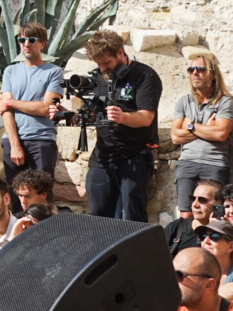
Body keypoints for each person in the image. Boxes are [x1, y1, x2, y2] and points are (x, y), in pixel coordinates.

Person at [57, 29, 160, 221]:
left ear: (120, 53)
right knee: (98, 214)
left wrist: (123, 117)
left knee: (132, 216)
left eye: (107, 63)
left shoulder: (145, 75)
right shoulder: (98, 77)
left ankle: (132, 251)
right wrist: (69, 116)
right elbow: (93, 115)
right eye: (98, 64)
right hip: (104, 156)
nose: (103, 68)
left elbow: (146, 117)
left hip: (135, 155)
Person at [0, 22, 63, 198]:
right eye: (22, 40)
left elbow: (45, 108)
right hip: (12, 141)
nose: (26, 44)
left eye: (32, 40)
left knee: (41, 197)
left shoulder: (54, 72)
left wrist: (11, 102)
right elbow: (5, 111)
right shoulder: (10, 71)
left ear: (42, 44)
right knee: (15, 198)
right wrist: (15, 145)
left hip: (41, 140)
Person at [172, 48, 233, 215]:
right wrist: (207, 129)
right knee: (186, 213)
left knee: (214, 214)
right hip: (187, 162)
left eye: (201, 69)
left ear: (213, 74)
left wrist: (191, 125)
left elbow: (221, 134)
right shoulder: (183, 102)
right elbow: (175, 137)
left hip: (214, 163)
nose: (195, 73)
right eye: (191, 69)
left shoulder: (224, 102)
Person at [168, 179, 227, 257]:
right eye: (193, 199)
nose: (195, 204)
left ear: (219, 205)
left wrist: (215, 230)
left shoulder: (224, 233)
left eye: (202, 200)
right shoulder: (176, 227)